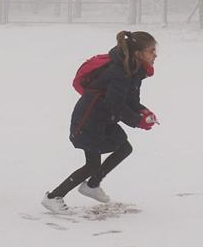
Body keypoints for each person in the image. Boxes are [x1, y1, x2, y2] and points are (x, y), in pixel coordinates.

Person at [41, 31, 159, 214]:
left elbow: (130, 101)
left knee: (123, 148)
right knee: (92, 165)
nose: (155, 55)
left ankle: (92, 185)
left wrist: (143, 112)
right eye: (151, 51)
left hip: (102, 119)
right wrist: (137, 121)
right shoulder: (120, 72)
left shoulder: (134, 70)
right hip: (89, 120)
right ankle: (53, 197)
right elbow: (115, 104)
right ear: (138, 53)